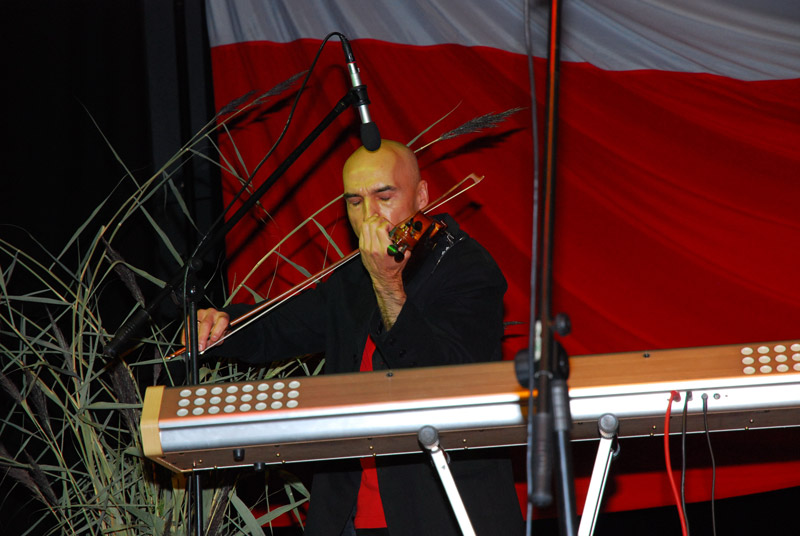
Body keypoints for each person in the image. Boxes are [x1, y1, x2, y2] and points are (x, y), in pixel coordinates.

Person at [194, 140, 524, 535]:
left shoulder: (467, 267)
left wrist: (388, 284)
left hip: (442, 512)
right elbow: (281, 326)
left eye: (384, 197)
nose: (370, 216)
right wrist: (224, 325)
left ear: (421, 196)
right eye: (355, 202)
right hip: (349, 518)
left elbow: (437, 377)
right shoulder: (353, 278)